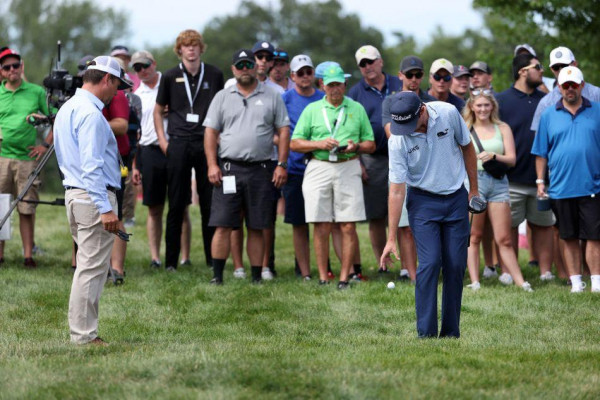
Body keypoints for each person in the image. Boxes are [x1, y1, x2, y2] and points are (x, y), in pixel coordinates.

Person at [380, 91, 478, 338]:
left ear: (422, 110)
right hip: (422, 201)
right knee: (431, 262)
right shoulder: (398, 139)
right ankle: (425, 333)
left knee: (456, 266)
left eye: (410, 123)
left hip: (456, 197)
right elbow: (395, 190)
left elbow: (467, 148)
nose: (407, 129)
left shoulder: (447, 113)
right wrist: (391, 238)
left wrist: (473, 191)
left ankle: (451, 332)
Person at [53, 55, 132, 344]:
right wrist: (105, 208)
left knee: (89, 267)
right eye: (117, 85)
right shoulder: (89, 113)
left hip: (76, 194)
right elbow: (91, 166)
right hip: (91, 197)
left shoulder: (69, 107)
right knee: (92, 268)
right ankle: (84, 336)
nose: (116, 92)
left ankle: (84, 331)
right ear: (106, 79)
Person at [203, 49, 290, 284]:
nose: (244, 69)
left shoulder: (272, 95)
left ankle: (255, 276)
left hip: (262, 168)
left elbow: (283, 130)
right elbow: (211, 132)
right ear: (233, 69)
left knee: (257, 225)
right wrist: (212, 164)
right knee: (222, 224)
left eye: (248, 64)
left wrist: (281, 164)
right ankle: (218, 276)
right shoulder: (222, 96)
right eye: (239, 65)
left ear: (256, 67)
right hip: (229, 168)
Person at [291, 64, 375, 289]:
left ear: (345, 85)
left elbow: (371, 143)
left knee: (348, 225)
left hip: (348, 165)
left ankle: (344, 277)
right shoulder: (312, 110)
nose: (335, 89)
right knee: (321, 224)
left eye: (338, 84)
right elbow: (295, 142)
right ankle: (322, 276)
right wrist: (319, 143)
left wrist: (355, 145)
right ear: (322, 85)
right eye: (330, 85)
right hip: (319, 164)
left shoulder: (356, 109)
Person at [154, 29, 224, 271]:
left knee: (209, 204)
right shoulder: (171, 76)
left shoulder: (214, 74)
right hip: (179, 142)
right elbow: (157, 110)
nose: (191, 49)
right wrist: (163, 141)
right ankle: (171, 262)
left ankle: (212, 260)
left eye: (195, 45)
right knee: (176, 204)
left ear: (200, 48)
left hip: (206, 142)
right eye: (186, 45)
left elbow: (222, 108)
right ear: (180, 50)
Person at [532, 66, 600, 293]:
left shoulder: (598, 110)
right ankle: (576, 282)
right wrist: (540, 182)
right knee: (568, 236)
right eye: (565, 85)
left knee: (594, 236)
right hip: (561, 187)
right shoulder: (549, 114)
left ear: (582, 85)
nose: (570, 89)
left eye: (574, 84)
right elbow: (541, 152)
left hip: (593, 185)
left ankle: (597, 282)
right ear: (559, 87)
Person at [462, 90, 533, 292]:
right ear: (472, 108)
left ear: (492, 106)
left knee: (504, 238)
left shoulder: (502, 127)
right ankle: (475, 281)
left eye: (487, 105)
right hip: (475, 182)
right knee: (474, 236)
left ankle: (520, 281)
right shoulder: (466, 128)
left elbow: (512, 159)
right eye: (479, 105)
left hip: (499, 182)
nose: (483, 109)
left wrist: (494, 155)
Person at [496, 54, 555, 281]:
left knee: (544, 225)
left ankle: (545, 272)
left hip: (543, 178)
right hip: (511, 179)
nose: (542, 71)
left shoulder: (547, 100)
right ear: (522, 71)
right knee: (508, 227)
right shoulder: (501, 100)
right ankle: (507, 271)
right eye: (538, 67)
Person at [131, 50, 192, 268]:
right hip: (149, 150)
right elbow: (135, 132)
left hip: (175, 147)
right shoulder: (136, 94)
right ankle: (155, 257)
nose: (142, 71)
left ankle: (185, 257)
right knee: (154, 207)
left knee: (181, 205)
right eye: (137, 68)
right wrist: (135, 164)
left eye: (145, 65)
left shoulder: (170, 85)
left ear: (154, 64)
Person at [348, 45, 401, 274]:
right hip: (372, 159)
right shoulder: (355, 93)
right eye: (363, 64)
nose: (368, 67)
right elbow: (350, 130)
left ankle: (408, 265)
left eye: (371, 61)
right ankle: (384, 264)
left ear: (380, 61)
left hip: (403, 156)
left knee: (405, 214)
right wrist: (358, 162)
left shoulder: (399, 84)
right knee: (377, 215)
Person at [0, 48, 52, 268]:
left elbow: (56, 118)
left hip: (27, 159)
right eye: (6, 67)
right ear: (1, 71)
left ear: (22, 67)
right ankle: (0, 256)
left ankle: (28, 255)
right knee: (1, 207)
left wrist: (45, 146)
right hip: (2, 158)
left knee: (27, 207)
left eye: (15, 65)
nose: (12, 70)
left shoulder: (37, 92)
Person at [281, 54, 324, 280]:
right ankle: (305, 272)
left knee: (323, 221)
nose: (305, 76)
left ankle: (324, 269)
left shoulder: (323, 97)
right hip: (296, 168)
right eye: (300, 73)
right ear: (293, 76)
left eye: (309, 72)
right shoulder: (284, 99)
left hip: (322, 165)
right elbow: (276, 133)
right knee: (299, 222)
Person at [531, 46, 600, 133]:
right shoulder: (545, 103)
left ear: (575, 64)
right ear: (552, 70)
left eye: (564, 65)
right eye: (556, 67)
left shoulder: (596, 93)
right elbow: (540, 141)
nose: (560, 70)